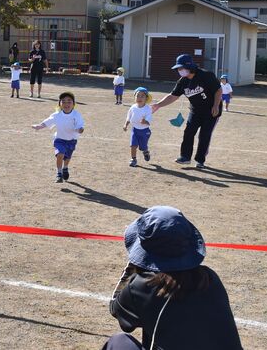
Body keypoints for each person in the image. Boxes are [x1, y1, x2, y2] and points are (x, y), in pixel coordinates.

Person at [104, 206, 243, 350]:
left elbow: (116, 310)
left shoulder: (142, 286)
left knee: (119, 342)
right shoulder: (210, 278)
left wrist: (135, 264)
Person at [151, 54, 223, 169]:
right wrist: (158, 105)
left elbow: (218, 90)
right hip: (195, 111)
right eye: (178, 69)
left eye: (181, 68)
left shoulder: (206, 75)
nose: (180, 70)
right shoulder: (183, 81)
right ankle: (185, 157)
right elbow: (173, 96)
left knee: (204, 135)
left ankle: (200, 160)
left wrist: (216, 105)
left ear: (189, 66)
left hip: (211, 111)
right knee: (189, 132)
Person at [31, 91, 85, 183]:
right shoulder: (57, 115)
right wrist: (39, 126)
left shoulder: (76, 115)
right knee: (60, 155)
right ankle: (59, 173)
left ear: (74, 104)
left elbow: (80, 126)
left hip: (71, 140)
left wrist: (80, 129)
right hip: (59, 139)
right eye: (63, 101)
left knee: (67, 157)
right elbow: (48, 121)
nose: (66, 104)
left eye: (69, 101)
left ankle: (65, 167)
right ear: (59, 104)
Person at [123, 87, 153, 167]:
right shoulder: (133, 107)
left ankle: (145, 151)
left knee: (143, 147)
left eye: (142, 96)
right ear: (134, 97)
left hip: (144, 131)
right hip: (135, 130)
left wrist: (145, 121)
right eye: (137, 96)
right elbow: (129, 117)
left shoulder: (148, 108)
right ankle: (133, 159)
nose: (139, 98)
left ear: (146, 98)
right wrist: (125, 125)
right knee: (133, 145)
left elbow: (149, 121)